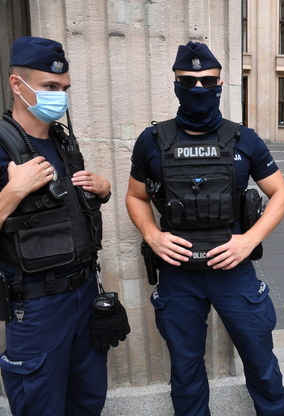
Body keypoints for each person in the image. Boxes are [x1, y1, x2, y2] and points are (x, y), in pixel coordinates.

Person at [125, 41, 284, 415]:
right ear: (176, 84)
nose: (199, 88)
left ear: (219, 84)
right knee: (185, 373)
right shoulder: (151, 141)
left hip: (233, 271)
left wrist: (249, 240)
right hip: (178, 274)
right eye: (189, 80)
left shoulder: (243, 139)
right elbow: (135, 197)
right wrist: (153, 237)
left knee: (262, 366)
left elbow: (281, 194)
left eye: (207, 81)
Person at [0, 36, 113, 415]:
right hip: (37, 308)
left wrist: (103, 189)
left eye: (64, 88)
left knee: (88, 400)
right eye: (50, 87)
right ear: (18, 85)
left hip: (84, 295)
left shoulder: (64, 143)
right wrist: (12, 192)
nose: (60, 97)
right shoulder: (3, 146)